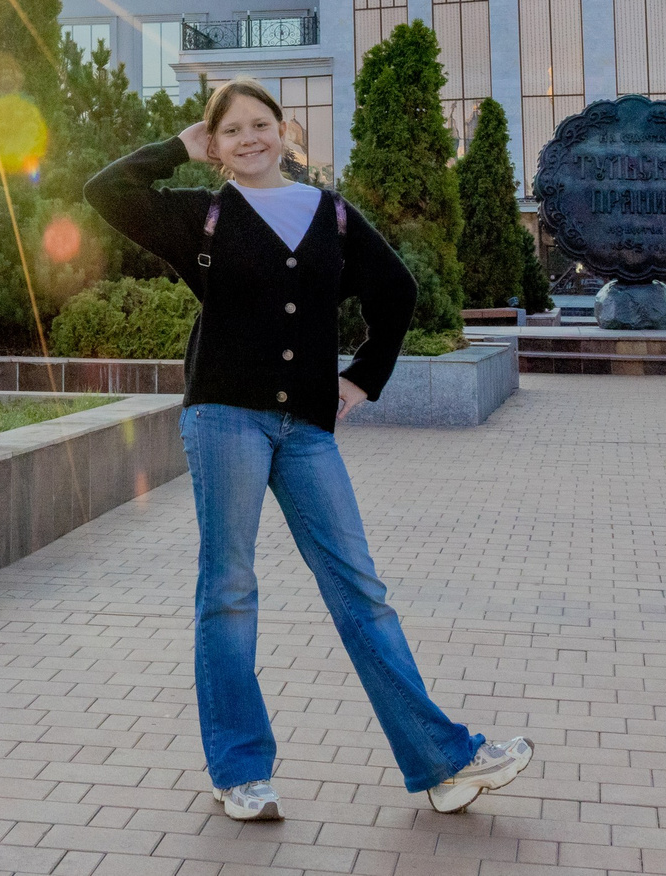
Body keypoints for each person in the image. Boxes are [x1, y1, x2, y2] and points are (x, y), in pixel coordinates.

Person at [85, 77, 534, 822]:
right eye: (231, 131)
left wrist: (364, 377)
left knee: (360, 589)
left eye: (261, 124)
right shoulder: (199, 216)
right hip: (225, 418)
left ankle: (441, 762)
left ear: (287, 131)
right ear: (216, 145)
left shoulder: (330, 214)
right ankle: (241, 772)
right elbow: (103, 191)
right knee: (228, 591)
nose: (249, 138)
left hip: (307, 433)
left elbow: (397, 291)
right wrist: (177, 149)